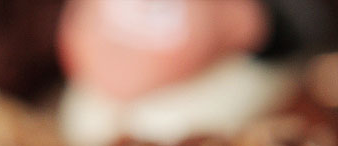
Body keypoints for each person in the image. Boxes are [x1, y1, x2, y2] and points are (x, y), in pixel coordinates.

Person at [59, 0, 338, 99]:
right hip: (99, 99)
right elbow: (77, 32)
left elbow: (307, 25)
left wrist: (251, 21)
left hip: (215, 86)